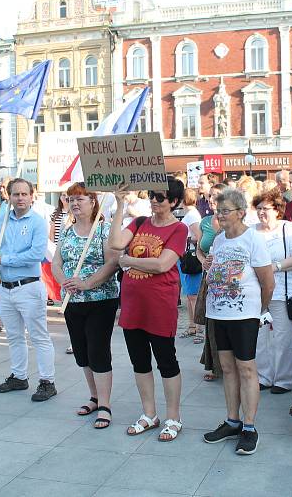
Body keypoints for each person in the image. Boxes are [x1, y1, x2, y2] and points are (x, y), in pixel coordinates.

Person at [107, 178, 187, 442]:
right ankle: (149, 413)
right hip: (132, 304)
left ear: (174, 202)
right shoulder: (140, 222)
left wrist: (129, 261)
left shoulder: (179, 229)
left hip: (160, 305)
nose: (154, 200)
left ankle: (173, 417)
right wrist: (119, 205)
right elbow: (116, 243)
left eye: (160, 197)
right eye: (152, 195)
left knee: (166, 360)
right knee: (139, 361)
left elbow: (163, 264)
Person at [202, 188, 274, 455]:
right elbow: (213, 273)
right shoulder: (219, 241)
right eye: (217, 210)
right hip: (219, 313)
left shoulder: (253, 239)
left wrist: (260, 311)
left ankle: (249, 427)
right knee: (227, 368)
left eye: (225, 210)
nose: (219, 215)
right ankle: (232, 421)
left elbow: (268, 282)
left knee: (246, 369)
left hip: (244, 315)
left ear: (241, 213)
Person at [52, 184, 120, 428]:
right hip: (72, 301)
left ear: (93, 202)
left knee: (98, 350)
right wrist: (65, 282)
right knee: (81, 353)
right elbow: (56, 262)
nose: (74, 203)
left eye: (80, 199)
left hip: (100, 300)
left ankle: (105, 404)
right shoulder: (67, 232)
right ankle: (93, 396)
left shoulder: (103, 230)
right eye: (70, 199)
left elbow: (112, 263)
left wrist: (87, 283)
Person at [0, 179, 57, 402]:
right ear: (9, 196)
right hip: (5, 288)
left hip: (28, 286)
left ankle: (47, 381)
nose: (20, 198)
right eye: (16, 194)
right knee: (14, 336)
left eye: (24, 194)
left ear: (31, 195)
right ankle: (19, 376)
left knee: (39, 336)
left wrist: (5, 260)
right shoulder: (3, 219)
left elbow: (37, 254)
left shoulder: (38, 222)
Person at [253, 189, 292, 393]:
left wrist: (275, 267)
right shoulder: (251, 230)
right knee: (260, 338)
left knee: (283, 338)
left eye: (265, 208)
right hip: (256, 294)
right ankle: (263, 377)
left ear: (277, 210)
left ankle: (284, 379)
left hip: (282, 292)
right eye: (258, 208)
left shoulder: (288, 228)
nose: (261, 213)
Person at [193, 183, 227, 381]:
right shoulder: (205, 221)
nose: (213, 200)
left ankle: (228, 365)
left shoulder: (230, 221)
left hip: (227, 278)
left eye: (217, 196)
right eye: (211, 197)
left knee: (222, 321)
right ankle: (213, 365)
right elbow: (200, 248)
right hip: (208, 277)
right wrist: (203, 262)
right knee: (209, 321)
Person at [179, 188, 203, 342]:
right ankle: (192, 326)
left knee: (193, 295)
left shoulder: (192, 215)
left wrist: (186, 239)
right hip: (187, 258)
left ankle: (198, 328)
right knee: (189, 295)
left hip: (192, 258)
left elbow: (199, 236)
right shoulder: (190, 214)